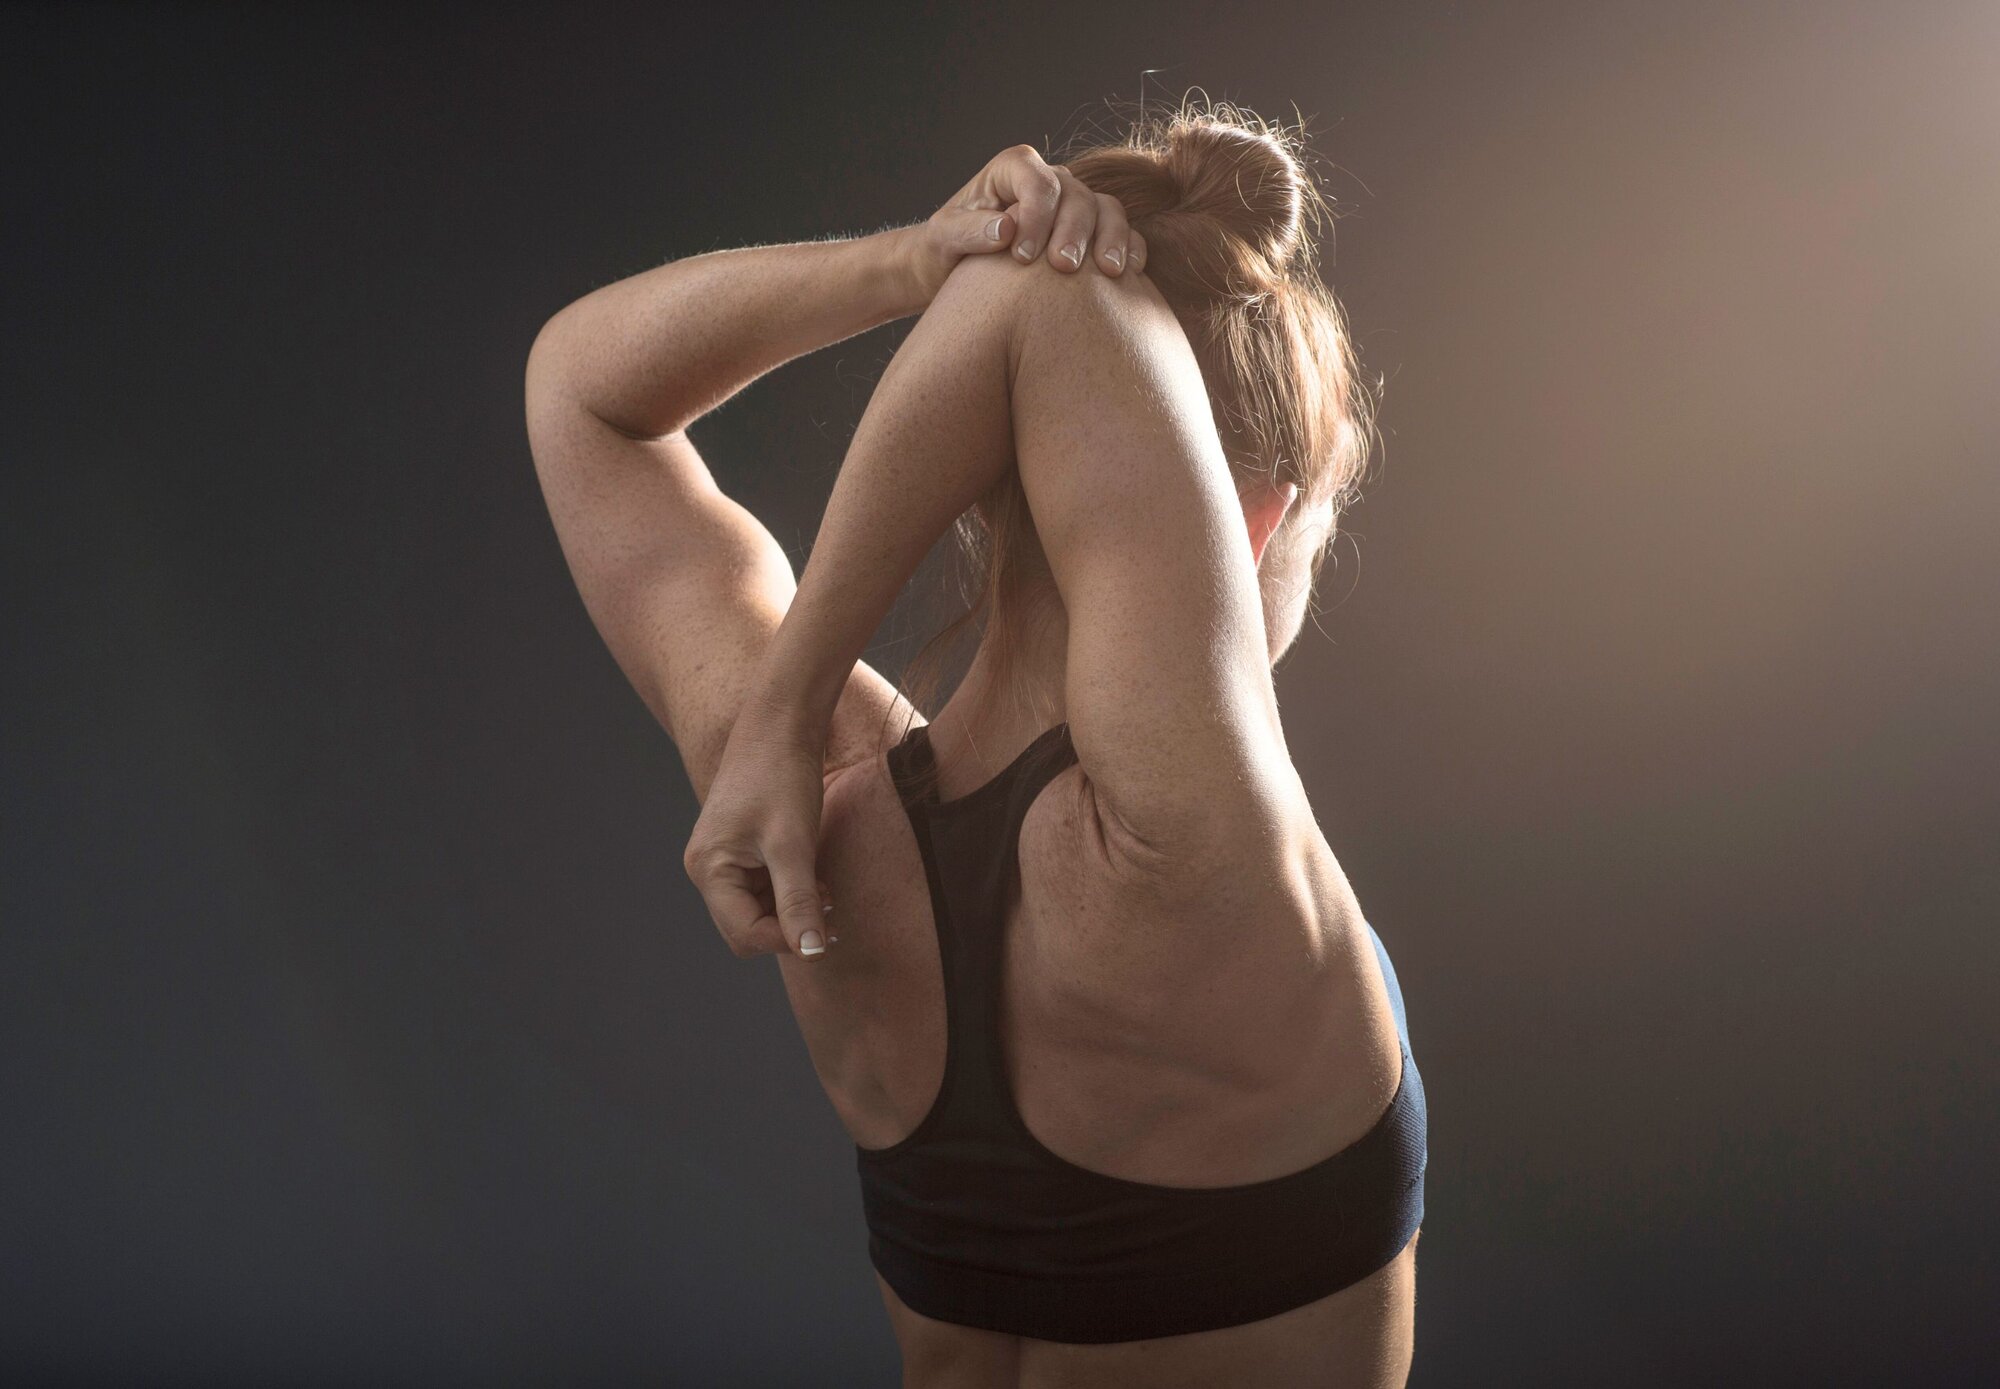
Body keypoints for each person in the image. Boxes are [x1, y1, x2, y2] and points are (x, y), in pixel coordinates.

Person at [525, 98, 1425, 1388]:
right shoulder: (1196, 847)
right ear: (1258, 523)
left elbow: (581, 392)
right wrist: (787, 708)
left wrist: (914, 259)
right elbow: (1049, 307)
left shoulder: (817, 815)